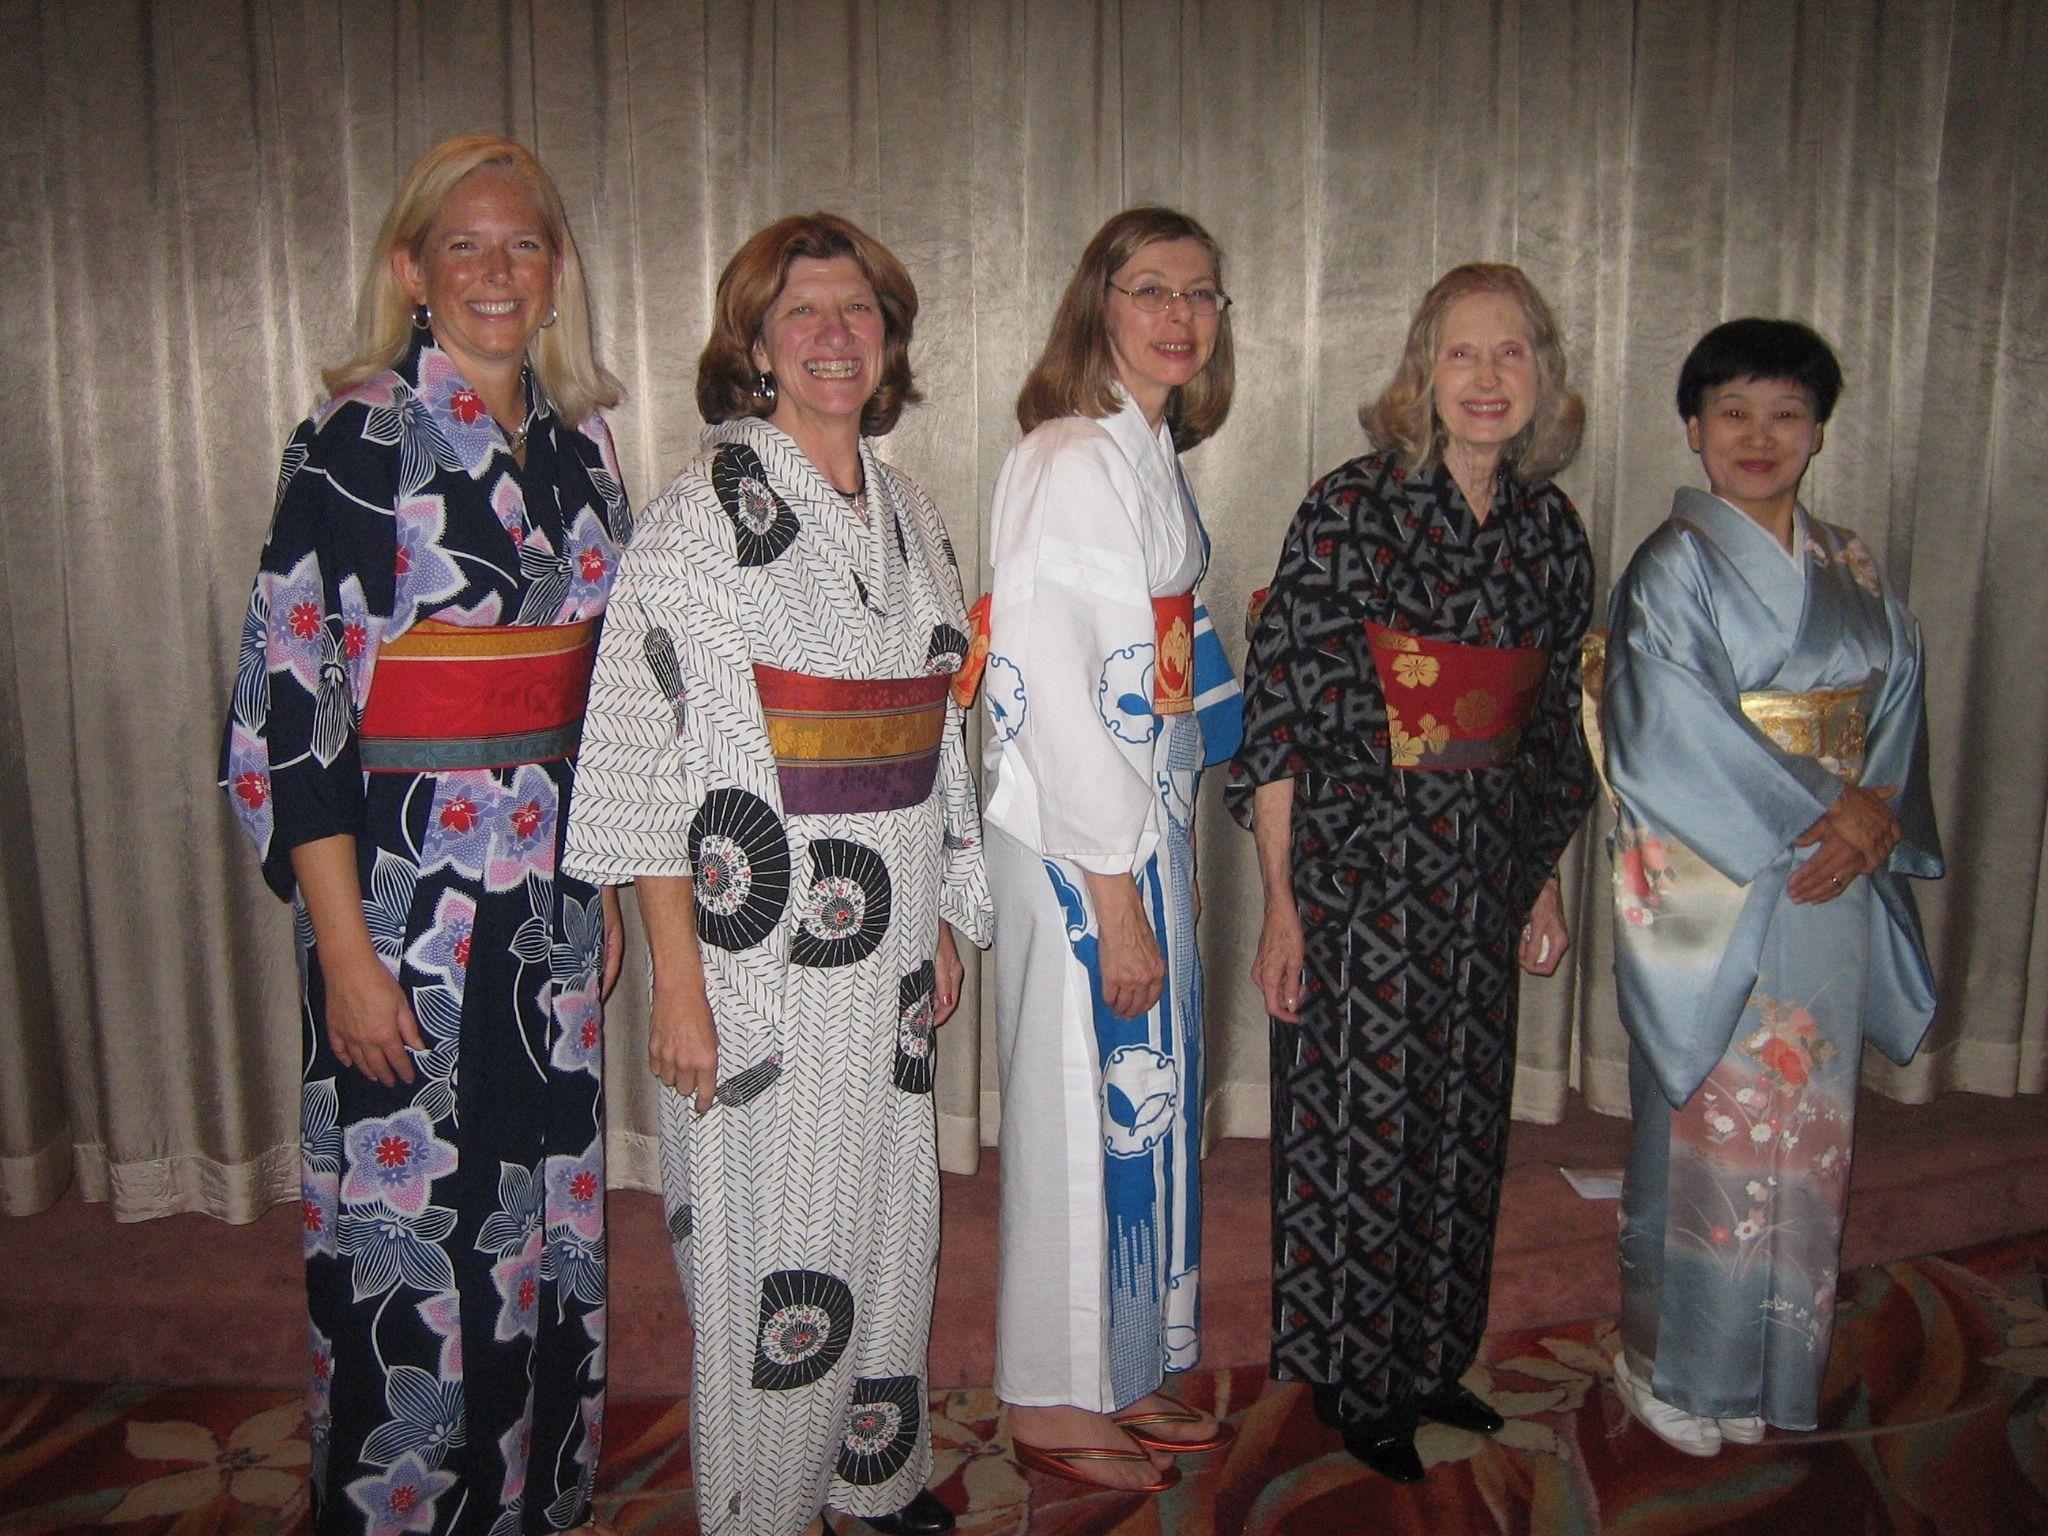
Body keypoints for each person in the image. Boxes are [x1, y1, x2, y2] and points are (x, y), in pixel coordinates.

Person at [220, 134, 629, 1535]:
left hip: (551, 915)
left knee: (537, 1230)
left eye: (524, 244)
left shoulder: (583, 452)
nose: (498, 271)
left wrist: (612, 882)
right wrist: (343, 953)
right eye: (465, 244)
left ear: (557, 269)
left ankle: (530, 1505)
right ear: (411, 269)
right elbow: (294, 707)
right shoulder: (358, 442)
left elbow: (604, 696)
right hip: (406, 910)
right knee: (417, 1244)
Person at [562, 214, 991, 1536]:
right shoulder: (701, 516)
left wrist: (941, 909)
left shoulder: (910, 510)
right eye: (800, 313)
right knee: (773, 1259)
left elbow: (939, 727)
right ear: (753, 343)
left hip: (884, 936)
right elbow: (643, 751)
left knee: (888, 1228)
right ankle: (760, 1507)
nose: (832, 335)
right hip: (759, 953)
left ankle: (878, 1474)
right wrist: (676, 987)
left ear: (891, 336)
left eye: (856, 309)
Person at [1228, 262, 1597, 1482]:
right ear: (1419, 374)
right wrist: (1281, 904)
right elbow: (1279, 712)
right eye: (1459, 353)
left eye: (1509, 354)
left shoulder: (1547, 531)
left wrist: (1538, 876)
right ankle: (1356, 1378)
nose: (1485, 379)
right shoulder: (1350, 509)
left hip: (1481, 878)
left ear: (1539, 375)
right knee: (1362, 1132)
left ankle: (1433, 1356)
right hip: (1359, 877)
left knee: (1458, 1130)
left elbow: (1545, 736)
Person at [1598, 319, 1942, 1455]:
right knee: (1711, 1126)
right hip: (1726, 885)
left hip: (1830, 882)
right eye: (1731, 413)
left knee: (1810, 1137)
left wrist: (1872, 812)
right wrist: (1817, 808)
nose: (1757, 436)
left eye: (1784, 414)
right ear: (1691, 431)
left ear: (1818, 433)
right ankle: (1666, 1362)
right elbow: (1665, 731)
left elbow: (1892, 700)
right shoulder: (1671, 566)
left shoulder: (1850, 566)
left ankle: (1765, 1365)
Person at [977, 206, 1244, 1494]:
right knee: (1072, 1108)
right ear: (1099, 306)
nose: (1179, 316)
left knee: (1129, 1111)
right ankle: (1042, 1388)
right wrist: (1111, 892)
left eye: (1200, 294)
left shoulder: (1142, 449)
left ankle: (1118, 1361)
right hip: (1083, 836)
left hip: (1147, 813)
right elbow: (1043, 676)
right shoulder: (1067, 456)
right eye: (1148, 290)